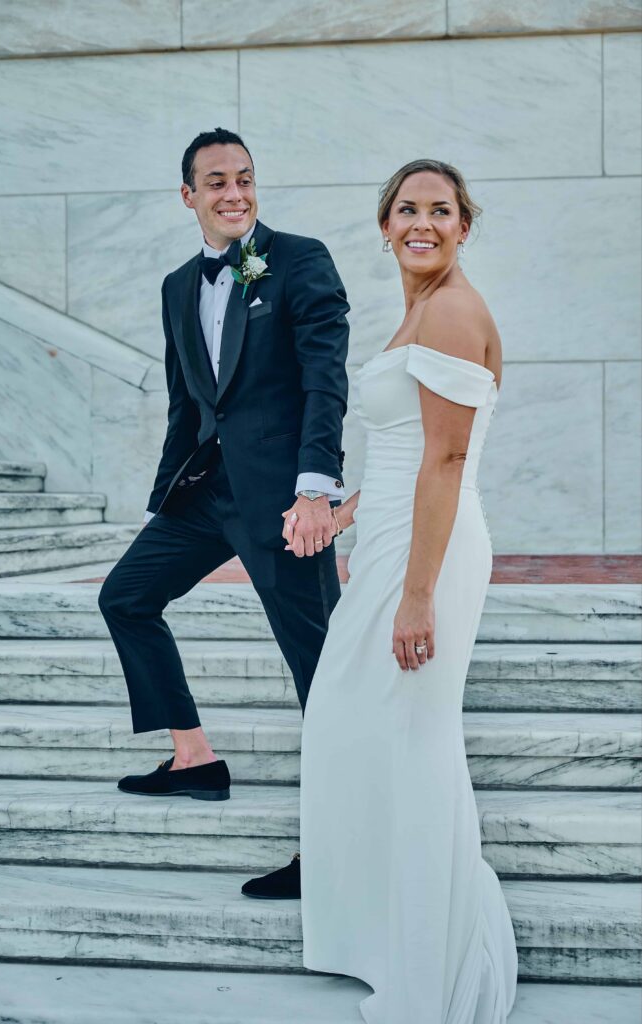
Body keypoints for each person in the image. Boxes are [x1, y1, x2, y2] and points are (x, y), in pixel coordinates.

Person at [298, 159, 518, 1021]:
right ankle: (383, 938)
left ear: (464, 225)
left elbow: (448, 459)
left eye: (440, 210)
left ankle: (430, 963)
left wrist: (417, 596)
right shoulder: (420, 308)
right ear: (384, 224)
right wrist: (343, 512)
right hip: (394, 539)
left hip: (428, 557)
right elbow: (404, 451)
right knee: (355, 728)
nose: (421, 222)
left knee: (416, 742)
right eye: (406, 208)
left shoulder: (456, 310)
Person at [98, 128, 349, 816]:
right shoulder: (178, 285)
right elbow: (187, 404)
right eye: (216, 182)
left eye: (244, 178)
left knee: (317, 662)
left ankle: (338, 829)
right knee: (125, 597)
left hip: (282, 499)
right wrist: (163, 506)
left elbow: (324, 379)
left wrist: (314, 489)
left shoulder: (298, 260)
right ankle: (193, 757)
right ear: (189, 195)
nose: (233, 193)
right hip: (204, 494)